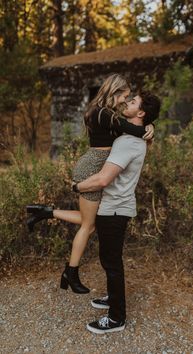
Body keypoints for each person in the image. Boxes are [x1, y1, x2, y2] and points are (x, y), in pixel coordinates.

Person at [26, 74, 154, 294]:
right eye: (125, 95)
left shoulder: (102, 111)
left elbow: (129, 129)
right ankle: (71, 272)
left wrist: (148, 125)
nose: (126, 100)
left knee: (90, 221)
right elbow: (133, 130)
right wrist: (150, 127)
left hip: (94, 165)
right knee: (89, 225)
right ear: (116, 91)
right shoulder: (103, 113)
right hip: (92, 168)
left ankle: (45, 212)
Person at [74, 91, 160, 333]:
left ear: (140, 112)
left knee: (111, 263)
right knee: (109, 260)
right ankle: (113, 299)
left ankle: (116, 318)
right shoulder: (131, 136)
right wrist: (150, 126)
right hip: (115, 207)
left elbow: (102, 180)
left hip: (115, 209)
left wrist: (77, 186)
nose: (126, 102)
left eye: (132, 102)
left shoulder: (127, 142)